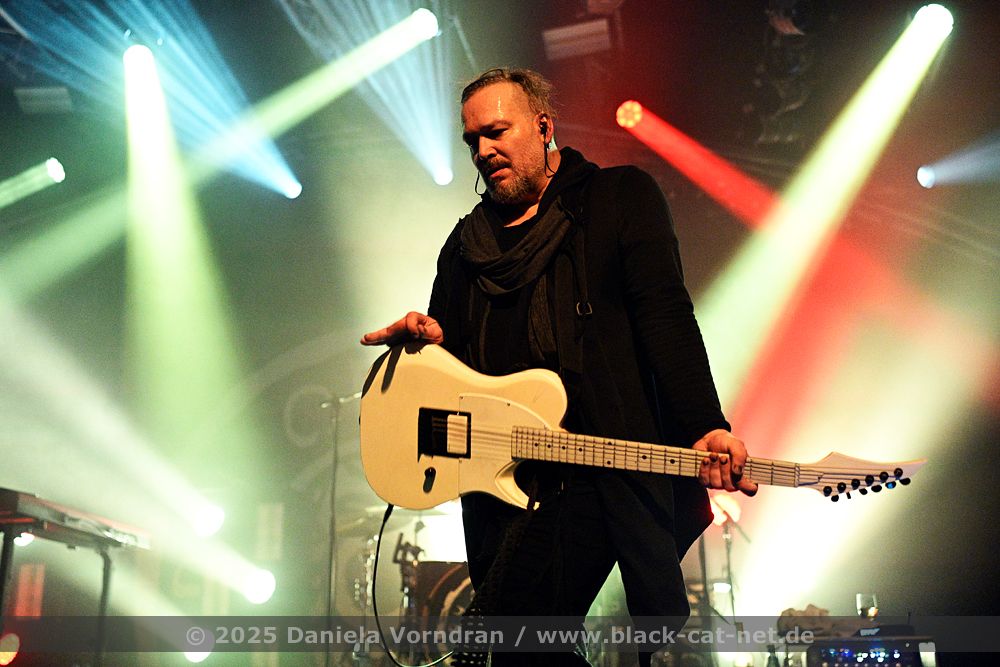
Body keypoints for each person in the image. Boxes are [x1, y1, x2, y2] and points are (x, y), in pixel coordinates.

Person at [361, 67, 757, 666]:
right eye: (472, 140)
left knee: (510, 638)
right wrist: (427, 344)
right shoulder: (466, 244)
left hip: (593, 469)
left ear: (543, 126)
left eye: (496, 132)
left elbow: (665, 315)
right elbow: (454, 373)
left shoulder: (617, 199)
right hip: (501, 481)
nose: (483, 151)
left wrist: (705, 422)